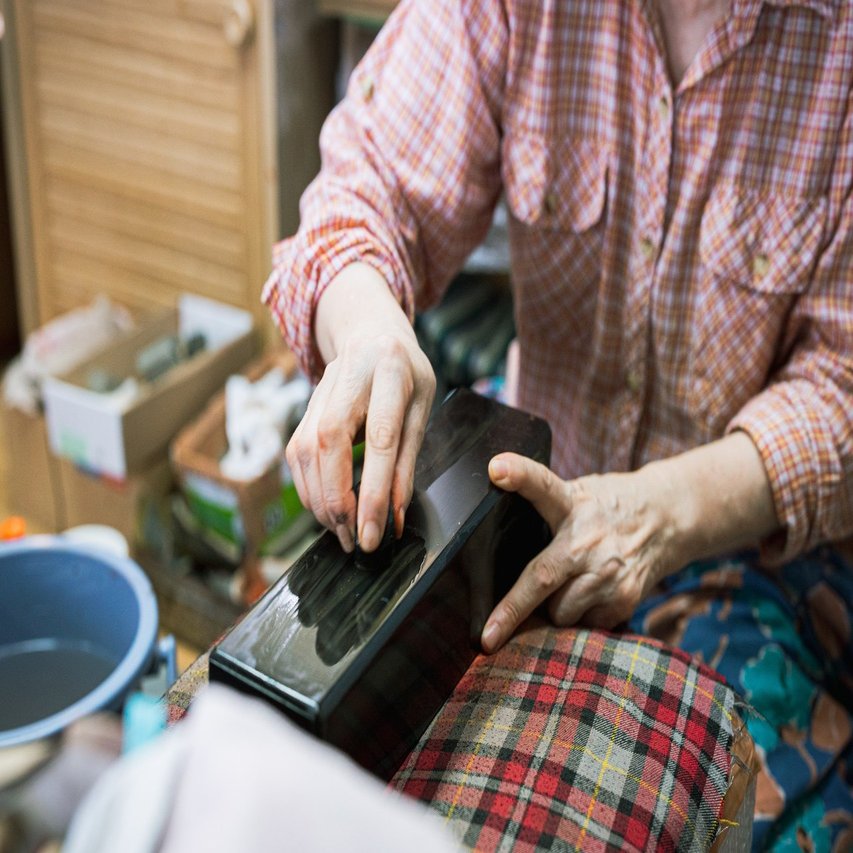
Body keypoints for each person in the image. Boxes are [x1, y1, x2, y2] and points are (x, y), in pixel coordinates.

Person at [263, 1, 853, 848]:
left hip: (746, 543)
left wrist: (661, 513)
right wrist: (363, 323)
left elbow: (838, 384)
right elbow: (370, 181)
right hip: (532, 507)